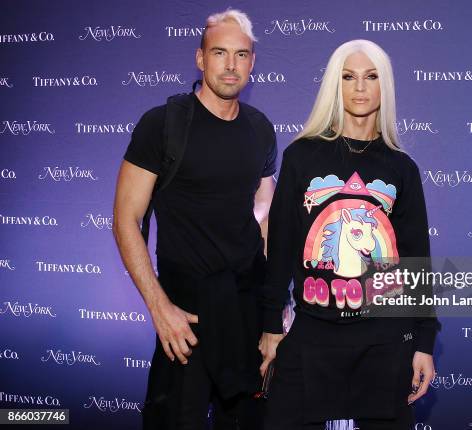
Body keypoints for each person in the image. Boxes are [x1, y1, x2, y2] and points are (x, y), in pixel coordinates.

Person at [259, 39, 440, 429]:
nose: (360, 87)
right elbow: (281, 248)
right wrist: (271, 325)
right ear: (334, 85)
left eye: (371, 76)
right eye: (348, 77)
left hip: (384, 339)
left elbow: (415, 261)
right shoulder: (301, 156)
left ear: (384, 86)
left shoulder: (402, 168)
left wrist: (424, 342)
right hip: (312, 334)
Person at [112, 9, 276, 430]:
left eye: (241, 55)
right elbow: (125, 219)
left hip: (245, 311)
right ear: (201, 59)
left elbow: (264, 218)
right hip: (184, 316)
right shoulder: (163, 124)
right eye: (219, 53)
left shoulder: (260, 129)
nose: (231, 64)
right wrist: (159, 307)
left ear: (252, 63)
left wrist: (273, 313)